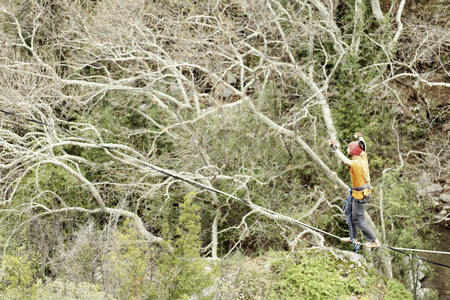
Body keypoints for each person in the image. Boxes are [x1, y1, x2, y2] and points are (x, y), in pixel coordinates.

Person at [328, 133, 381, 249]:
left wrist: (335, 149)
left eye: (348, 148)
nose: (347, 149)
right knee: (349, 213)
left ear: (352, 151)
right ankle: (353, 237)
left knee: (358, 219)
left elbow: (346, 161)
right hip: (357, 192)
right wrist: (360, 137)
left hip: (360, 195)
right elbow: (364, 147)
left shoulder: (356, 164)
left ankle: (374, 241)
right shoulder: (363, 156)